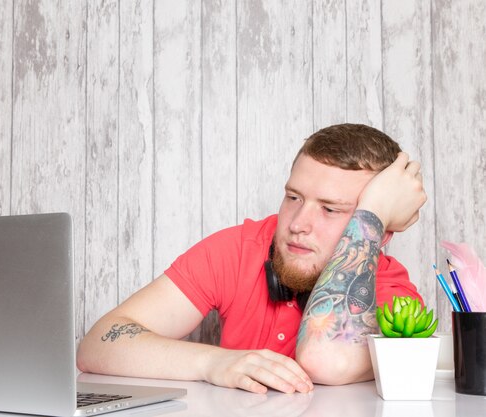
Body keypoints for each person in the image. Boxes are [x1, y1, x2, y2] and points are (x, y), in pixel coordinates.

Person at [77, 123, 426, 395]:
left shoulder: (392, 292)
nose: (298, 225)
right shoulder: (241, 247)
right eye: (293, 197)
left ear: (376, 230)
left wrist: (373, 213)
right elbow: (97, 345)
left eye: (331, 209)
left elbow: (326, 361)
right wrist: (212, 362)